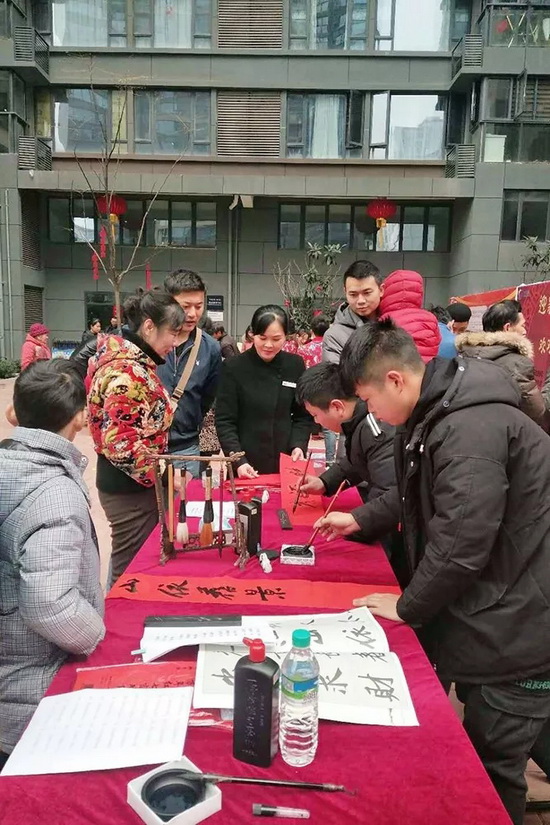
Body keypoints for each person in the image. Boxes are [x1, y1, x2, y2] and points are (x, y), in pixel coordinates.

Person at [316, 318, 550, 825]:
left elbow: (460, 543)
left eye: (369, 400)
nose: (371, 413)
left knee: (493, 768)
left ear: (395, 380)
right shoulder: (436, 413)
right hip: (505, 606)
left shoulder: (467, 428)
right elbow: (413, 496)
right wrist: (359, 518)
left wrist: (408, 606)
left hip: (517, 625)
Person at [0, 360, 105, 767]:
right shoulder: (54, 494)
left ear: (14, 412)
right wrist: (95, 633)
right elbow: (50, 605)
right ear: (80, 417)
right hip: (30, 685)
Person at [87, 290, 185, 581]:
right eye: (173, 333)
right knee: (131, 568)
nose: (175, 343)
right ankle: (117, 610)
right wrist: (164, 475)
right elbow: (121, 444)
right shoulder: (127, 373)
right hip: (128, 488)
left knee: (133, 561)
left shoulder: (130, 362)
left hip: (130, 483)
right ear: (149, 326)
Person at [296, 363, 404, 576]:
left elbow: (392, 493)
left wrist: (355, 524)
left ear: (337, 407)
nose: (317, 422)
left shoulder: (375, 427)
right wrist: (324, 482)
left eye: (315, 415)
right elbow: (357, 460)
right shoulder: (359, 420)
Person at [216, 304, 312, 477]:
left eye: (276, 339)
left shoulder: (294, 365)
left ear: (286, 337)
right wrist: (238, 460)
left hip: (286, 459)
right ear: (252, 334)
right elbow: (225, 421)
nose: (268, 345)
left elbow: (302, 415)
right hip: (246, 461)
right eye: (262, 338)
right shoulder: (233, 367)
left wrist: (298, 445)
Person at [157, 270, 222, 480]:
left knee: (187, 501)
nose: (193, 314)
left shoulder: (210, 348)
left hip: (186, 449)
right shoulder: (148, 340)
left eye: (199, 306)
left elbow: (207, 399)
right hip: (147, 449)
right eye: (185, 306)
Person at [456, 299, 547, 429]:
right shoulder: (518, 363)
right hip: (504, 432)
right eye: (522, 326)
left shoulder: (465, 353)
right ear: (507, 328)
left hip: (467, 428)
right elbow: (536, 411)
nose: (524, 331)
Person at [323, 260, 383, 364]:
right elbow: (334, 373)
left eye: (367, 293)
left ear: (381, 290)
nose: (361, 301)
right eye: (353, 295)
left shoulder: (397, 321)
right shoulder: (334, 336)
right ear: (345, 292)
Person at [377, 270, 441, 362]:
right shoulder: (430, 318)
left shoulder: (383, 320)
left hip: (396, 368)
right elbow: (437, 342)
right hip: (427, 368)